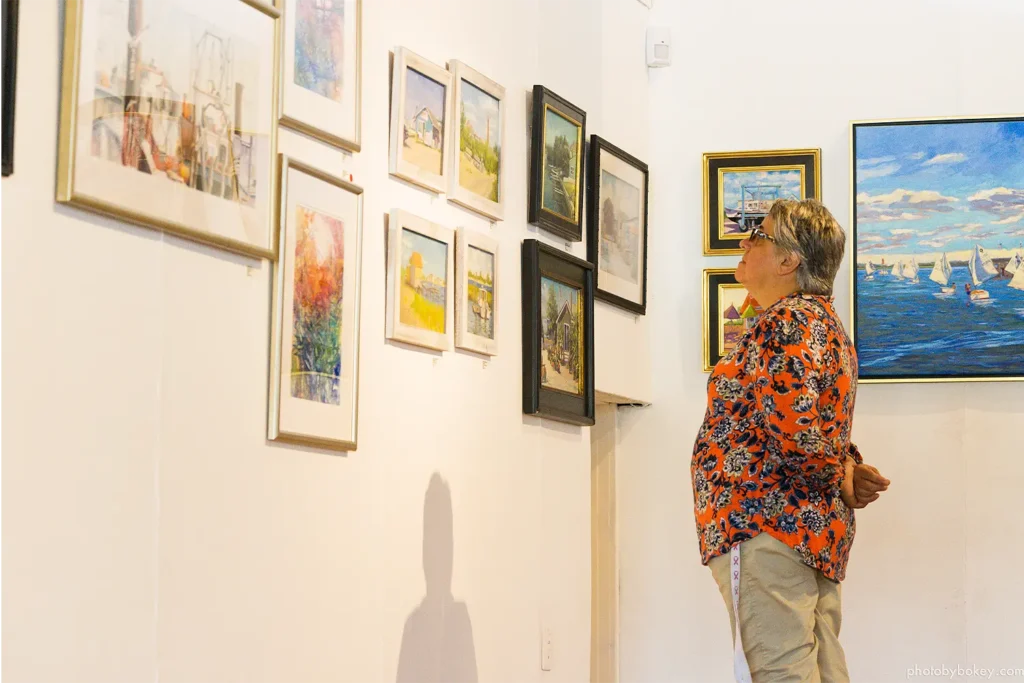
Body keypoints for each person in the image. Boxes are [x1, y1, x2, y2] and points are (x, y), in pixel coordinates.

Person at [691, 198, 891, 682]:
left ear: (789, 260)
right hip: (806, 531)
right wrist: (845, 469)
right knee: (819, 667)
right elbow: (811, 423)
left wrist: (841, 472)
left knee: (780, 672)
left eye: (757, 236)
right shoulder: (824, 325)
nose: (743, 242)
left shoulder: (785, 321)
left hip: (766, 525)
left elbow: (796, 433)